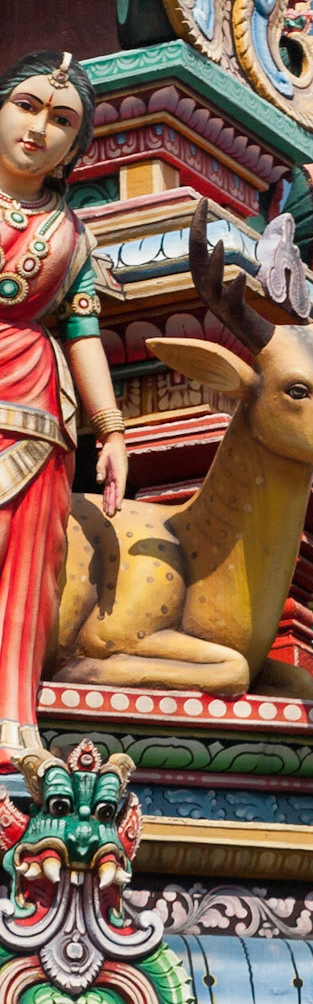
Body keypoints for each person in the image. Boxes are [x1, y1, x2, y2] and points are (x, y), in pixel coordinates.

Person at [0, 51, 126, 758]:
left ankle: (11, 727)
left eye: (61, 121)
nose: (38, 127)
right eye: (26, 106)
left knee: (25, 569)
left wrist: (112, 430)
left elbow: (83, 333)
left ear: (74, 150)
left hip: (34, 407)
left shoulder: (73, 236)